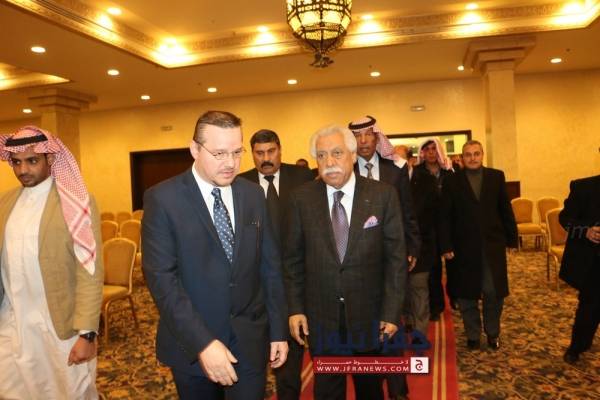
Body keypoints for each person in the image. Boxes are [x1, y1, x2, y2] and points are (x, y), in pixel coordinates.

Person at [142, 111, 288, 400]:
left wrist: (278, 330)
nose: (230, 163)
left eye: (237, 152)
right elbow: (163, 281)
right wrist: (203, 343)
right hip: (192, 345)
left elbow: (270, 267)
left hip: (249, 340)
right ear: (195, 149)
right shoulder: (163, 199)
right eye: (219, 153)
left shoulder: (253, 195)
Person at [284, 124, 407, 400]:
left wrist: (391, 312)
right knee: (327, 391)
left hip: (370, 316)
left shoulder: (383, 195)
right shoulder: (301, 199)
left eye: (337, 153)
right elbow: (292, 261)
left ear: (353, 155)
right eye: (322, 155)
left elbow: (396, 261)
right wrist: (295, 309)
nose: (329, 161)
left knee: (370, 390)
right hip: (321, 318)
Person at [0, 126, 103, 399]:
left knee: (69, 393)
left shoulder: (75, 202)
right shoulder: (5, 202)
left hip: (60, 327)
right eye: (16, 162)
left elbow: (89, 272)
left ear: (51, 158)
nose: (23, 170)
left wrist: (87, 334)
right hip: (12, 323)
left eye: (32, 160)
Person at [238, 129, 314, 400]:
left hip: (298, 283)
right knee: (254, 359)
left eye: (271, 151)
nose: (266, 158)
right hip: (257, 287)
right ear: (252, 154)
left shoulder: (303, 177)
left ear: (280, 150)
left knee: (292, 356)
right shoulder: (239, 183)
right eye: (259, 153)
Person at [347, 116, 419, 400]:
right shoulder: (345, 170)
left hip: (391, 258)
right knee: (365, 333)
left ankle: (398, 392)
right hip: (357, 263)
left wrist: (412, 248)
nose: (363, 141)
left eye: (368, 135)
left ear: (377, 137)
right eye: (358, 136)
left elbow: (408, 212)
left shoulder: (395, 170)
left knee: (392, 325)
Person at [439, 140, 518, 350]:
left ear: (482, 155)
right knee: (467, 294)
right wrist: (445, 245)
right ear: (462, 158)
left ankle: (493, 332)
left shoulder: (496, 176)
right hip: (462, 248)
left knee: (494, 292)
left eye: (476, 153)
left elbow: (505, 209)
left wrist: (512, 239)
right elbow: (444, 216)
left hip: (492, 246)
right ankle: (473, 335)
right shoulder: (451, 181)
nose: (472, 158)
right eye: (468, 154)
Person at [559, 174, 600, 364]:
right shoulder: (584, 187)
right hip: (594, 262)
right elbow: (565, 219)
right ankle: (577, 347)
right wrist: (586, 231)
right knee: (590, 308)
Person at [414, 137, 456, 319]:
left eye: (434, 149)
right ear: (422, 153)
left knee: (454, 268)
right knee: (432, 271)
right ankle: (436, 307)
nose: (431, 152)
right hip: (427, 230)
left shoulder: (449, 172)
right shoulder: (416, 173)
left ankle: (455, 297)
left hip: (449, 227)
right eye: (427, 149)